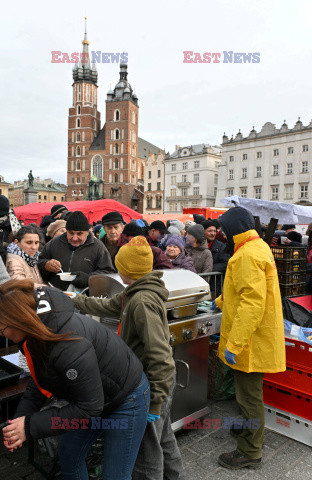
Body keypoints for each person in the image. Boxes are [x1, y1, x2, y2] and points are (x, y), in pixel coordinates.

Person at [0, 279, 149, 480]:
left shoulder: (67, 345)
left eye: (2, 329)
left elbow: (88, 409)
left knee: (115, 475)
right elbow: (40, 379)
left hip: (126, 398)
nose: (2, 334)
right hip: (92, 399)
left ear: (20, 320)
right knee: (69, 458)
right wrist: (20, 422)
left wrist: (29, 426)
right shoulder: (37, 331)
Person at [73, 236, 185, 480]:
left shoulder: (142, 301)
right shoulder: (133, 293)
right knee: (163, 437)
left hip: (153, 384)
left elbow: (161, 356)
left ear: (124, 270)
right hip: (158, 382)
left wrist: (154, 402)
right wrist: (74, 300)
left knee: (147, 450)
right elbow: (108, 306)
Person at [214, 207, 285, 469]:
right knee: (248, 394)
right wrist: (220, 302)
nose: (221, 234)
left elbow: (252, 303)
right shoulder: (258, 246)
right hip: (256, 337)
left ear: (233, 229)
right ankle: (247, 427)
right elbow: (246, 292)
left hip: (250, 343)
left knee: (249, 397)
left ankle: (250, 451)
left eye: (223, 229)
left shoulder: (245, 255)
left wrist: (235, 344)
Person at [38, 211, 114, 291]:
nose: (74, 238)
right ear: (66, 231)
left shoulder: (98, 247)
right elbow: (38, 264)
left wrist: (89, 278)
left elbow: (108, 272)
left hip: (85, 297)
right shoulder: (54, 243)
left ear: (87, 232)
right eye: (71, 233)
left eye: (79, 234)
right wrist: (46, 265)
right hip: (56, 294)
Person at [202, 220, 230, 296]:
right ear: (203, 231)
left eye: (214, 231)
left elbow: (226, 263)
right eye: (210, 231)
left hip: (214, 286)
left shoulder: (221, 247)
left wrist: (208, 269)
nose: (213, 233)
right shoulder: (196, 245)